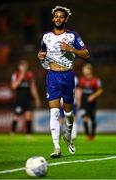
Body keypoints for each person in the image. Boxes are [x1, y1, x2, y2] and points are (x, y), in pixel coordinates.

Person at [38, 6, 90, 158]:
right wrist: (41, 57)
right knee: (54, 112)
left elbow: (86, 54)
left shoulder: (73, 36)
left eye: (62, 16)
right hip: (52, 76)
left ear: (66, 19)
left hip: (67, 75)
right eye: (56, 16)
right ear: (53, 18)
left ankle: (68, 137)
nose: (58, 18)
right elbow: (43, 54)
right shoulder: (46, 36)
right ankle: (56, 147)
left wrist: (71, 49)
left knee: (68, 113)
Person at [11, 60, 41, 136]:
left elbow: (33, 88)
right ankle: (12, 132)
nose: (23, 68)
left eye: (25, 66)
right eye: (22, 66)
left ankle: (28, 134)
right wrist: (21, 77)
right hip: (19, 99)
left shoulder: (29, 75)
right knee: (16, 115)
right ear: (19, 67)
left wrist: (37, 99)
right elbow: (13, 86)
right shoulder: (16, 75)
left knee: (28, 115)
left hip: (27, 99)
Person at [77, 63, 103, 140]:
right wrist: (78, 101)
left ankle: (92, 134)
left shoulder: (96, 80)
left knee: (93, 119)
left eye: (85, 69)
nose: (84, 71)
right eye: (83, 70)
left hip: (92, 103)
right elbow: (79, 90)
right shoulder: (81, 80)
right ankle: (88, 135)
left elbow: (100, 90)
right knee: (84, 118)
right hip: (83, 102)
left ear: (90, 70)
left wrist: (93, 96)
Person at [59, 75, 80, 140]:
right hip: (63, 101)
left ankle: (73, 135)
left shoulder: (75, 78)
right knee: (61, 118)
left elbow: (77, 90)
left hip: (73, 101)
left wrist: (78, 100)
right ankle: (58, 133)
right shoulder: (60, 76)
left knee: (74, 117)